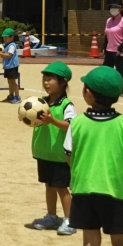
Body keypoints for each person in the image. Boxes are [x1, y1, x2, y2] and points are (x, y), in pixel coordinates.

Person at [64, 66, 123, 246]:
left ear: (88, 93)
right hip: (117, 191)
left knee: (90, 241)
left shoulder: (77, 123)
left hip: (84, 189)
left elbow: (68, 155)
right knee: (120, 243)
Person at [30, 61, 76, 236]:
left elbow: (70, 125)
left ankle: (70, 219)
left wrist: (52, 121)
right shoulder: (40, 103)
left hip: (58, 155)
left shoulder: (66, 104)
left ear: (63, 82)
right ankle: (51, 216)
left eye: (51, 79)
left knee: (61, 187)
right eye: (44, 78)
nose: (46, 82)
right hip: (43, 152)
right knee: (49, 185)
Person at [103, 0, 123, 97]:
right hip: (109, 50)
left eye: (115, 7)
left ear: (120, 9)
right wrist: (104, 47)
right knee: (106, 70)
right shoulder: (108, 20)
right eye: (112, 7)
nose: (113, 9)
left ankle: (121, 90)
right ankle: (106, 88)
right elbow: (106, 35)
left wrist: (120, 48)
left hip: (119, 51)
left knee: (120, 71)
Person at [0, 28, 21, 104]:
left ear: (12, 37)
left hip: (12, 66)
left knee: (13, 82)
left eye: (6, 37)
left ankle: (17, 97)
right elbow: (3, 55)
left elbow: (9, 55)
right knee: (9, 81)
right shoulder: (5, 45)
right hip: (8, 66)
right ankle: (11, 95)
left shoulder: (12, 45)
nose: (4, 39)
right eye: (4, 37)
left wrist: (0, 53)